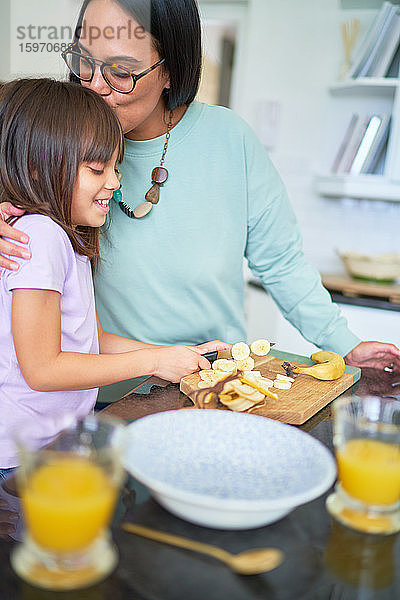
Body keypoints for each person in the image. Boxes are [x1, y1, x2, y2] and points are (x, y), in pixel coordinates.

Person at [0, 0, 399, 405]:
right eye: (84, 61)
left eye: (120, 71)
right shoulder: (50, 148)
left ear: (171, 71)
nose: (96, 85)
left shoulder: (229, 139)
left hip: (217, 388)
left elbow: (281, 263)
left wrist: (344, 343)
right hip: (94, 401)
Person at [0, 77, 228, 473]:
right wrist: (151, 363)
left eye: (116, 168)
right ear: (37, 169)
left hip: (51, 447)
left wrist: (171, 356)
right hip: (19, 459)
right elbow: (43, 368)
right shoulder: (41, 236)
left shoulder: (66, 239)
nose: (114, 182)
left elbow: (92, 339)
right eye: (96, 169)